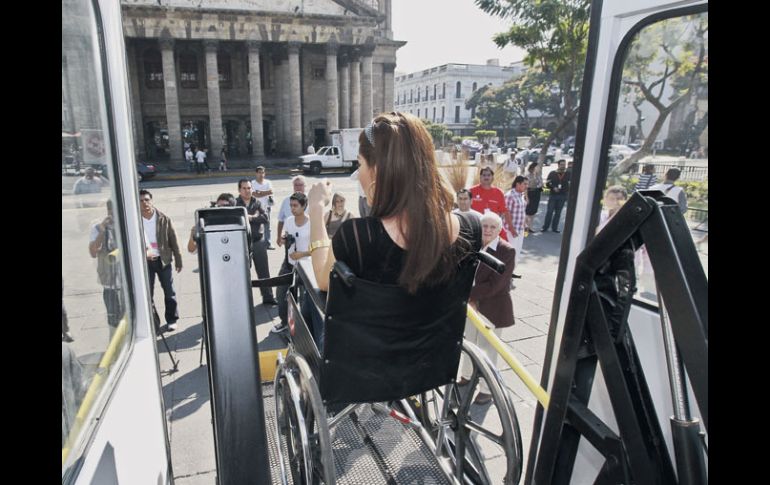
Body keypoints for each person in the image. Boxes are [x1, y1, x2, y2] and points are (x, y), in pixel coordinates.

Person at [304, 112, 481, 337]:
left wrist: (317, 209)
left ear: (377, 171)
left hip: (368, 364)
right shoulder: (470, 226)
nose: (358, 175)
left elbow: (322, 280)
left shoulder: (358, 236)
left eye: (360, 164)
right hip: (432, 362)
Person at [459, 212, 516, 404]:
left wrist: (469, 295)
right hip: (470, 306)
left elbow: (496, 285)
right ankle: (467, 375)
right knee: (468, 342)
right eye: (485, 226)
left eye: (493, 227)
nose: (488, 230)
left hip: (492, 307)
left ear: (499, 230)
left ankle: (487, 389)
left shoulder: (506, 251)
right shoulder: (472, 245)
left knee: (487, 349)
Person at [140, 189, 183, 331]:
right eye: (141, 201)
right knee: (148, 293)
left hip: (163, 260)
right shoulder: (135, 221)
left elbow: (174, 239)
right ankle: (154, 322)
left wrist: (178, 259)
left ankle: (171, 319)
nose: (145, 203)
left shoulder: (163, 219)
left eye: (147, 200)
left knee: (169, 291)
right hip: (145, 262)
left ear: (151, 201)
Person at [272, 192, 311, 334]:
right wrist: (283, 239)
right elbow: (285, 235)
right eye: (291, 205)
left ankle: (305, 328)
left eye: (295, 205)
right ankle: (284, 322)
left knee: (305, 299)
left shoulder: (312, 224)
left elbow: (318, 248)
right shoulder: (288, 220)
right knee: (281, 294)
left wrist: (302, 254)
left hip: (306, 266)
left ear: (304, 206)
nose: (292, 208)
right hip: (288, 264)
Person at [236, 180, 276, 305]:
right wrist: (253, 217)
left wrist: (251, 217)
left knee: (263, 271)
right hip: (241, 244)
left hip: (258, 241)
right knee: (241, 272)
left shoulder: (257, 202)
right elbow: (236, 219)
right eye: (244, 188)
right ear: (239, 190)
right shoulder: (235, 204)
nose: (247, 191)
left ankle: (268, 297)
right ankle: (242, 300)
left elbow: (265, 218)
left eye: (249, 188)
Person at [89, 200, 125, 338]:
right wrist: (103, 230)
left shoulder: (127, 224)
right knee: (113, 315)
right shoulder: (98, 228)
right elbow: (93, 252)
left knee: (129, 314)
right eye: (111, 210)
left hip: (126, 279)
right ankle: (115, 341)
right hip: (109, 281)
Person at [469, 166, 509, 241]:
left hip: (491, 230)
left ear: (492, 177)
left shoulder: (499, 193)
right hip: (475, 228)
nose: (486, 177)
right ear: (480, 177)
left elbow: (503, 212)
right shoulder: (471, 191)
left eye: (488, 175)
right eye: (484, 175)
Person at [503, 176, 528, 278]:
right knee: (510, 252)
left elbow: (522, 212)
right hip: (511, 230)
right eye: (524, 184)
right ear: (517, 184)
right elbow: (506, 213)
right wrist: (512, 228)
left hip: (520, 229)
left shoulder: (521, 195)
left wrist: (525, 225)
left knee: (517, 251)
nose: (526, 186)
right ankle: (505, 273)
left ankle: (511, 271)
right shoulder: (510, 195)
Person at [276, 175, 307, 248]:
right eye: (296, 185)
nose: (298, 187)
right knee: (289, 258)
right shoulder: (286, 201)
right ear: (293, 186)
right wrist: (278, 237)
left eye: (301, 185)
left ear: (305, 186)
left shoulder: (310, 201)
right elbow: (281, 220)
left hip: (306, 238)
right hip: (290, 239)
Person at [541, 159, 570, 233]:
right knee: (549, 212)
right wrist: (553, 187)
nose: (563, 166)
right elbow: (547, 184)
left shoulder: (568, 174)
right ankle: (545, 227)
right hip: (553, 195)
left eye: (564, 164)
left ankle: (555, 228)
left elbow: (570, 184)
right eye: (562, 164)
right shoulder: (552, 173)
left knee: (558, 213)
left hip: (562, 196)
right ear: (558, 165)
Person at [251, 166, 275, 249]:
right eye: (259, 172)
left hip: (266, 206)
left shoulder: (268, 182)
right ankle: (257, 243)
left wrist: (260, 192)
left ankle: (268, 243)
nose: (261, 174)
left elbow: (271, 191)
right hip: (256, 208)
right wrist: (265, 192)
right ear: (256, 173)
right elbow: (254, 194)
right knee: (256, 226)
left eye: (263, 172)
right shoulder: (253, 183)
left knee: (267, 226)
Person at [525, 162, 543, 233]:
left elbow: (541, 184)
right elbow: (526, 187)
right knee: (528, 211)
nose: (538, 169)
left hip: (536, 193)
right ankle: (525, 226)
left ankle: (530, 227)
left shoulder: (538, 176)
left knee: (534, 211)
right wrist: (526, 197)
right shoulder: (527, 176)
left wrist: (539, 183)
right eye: (537, 167)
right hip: (530, 193)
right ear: (533, 168)